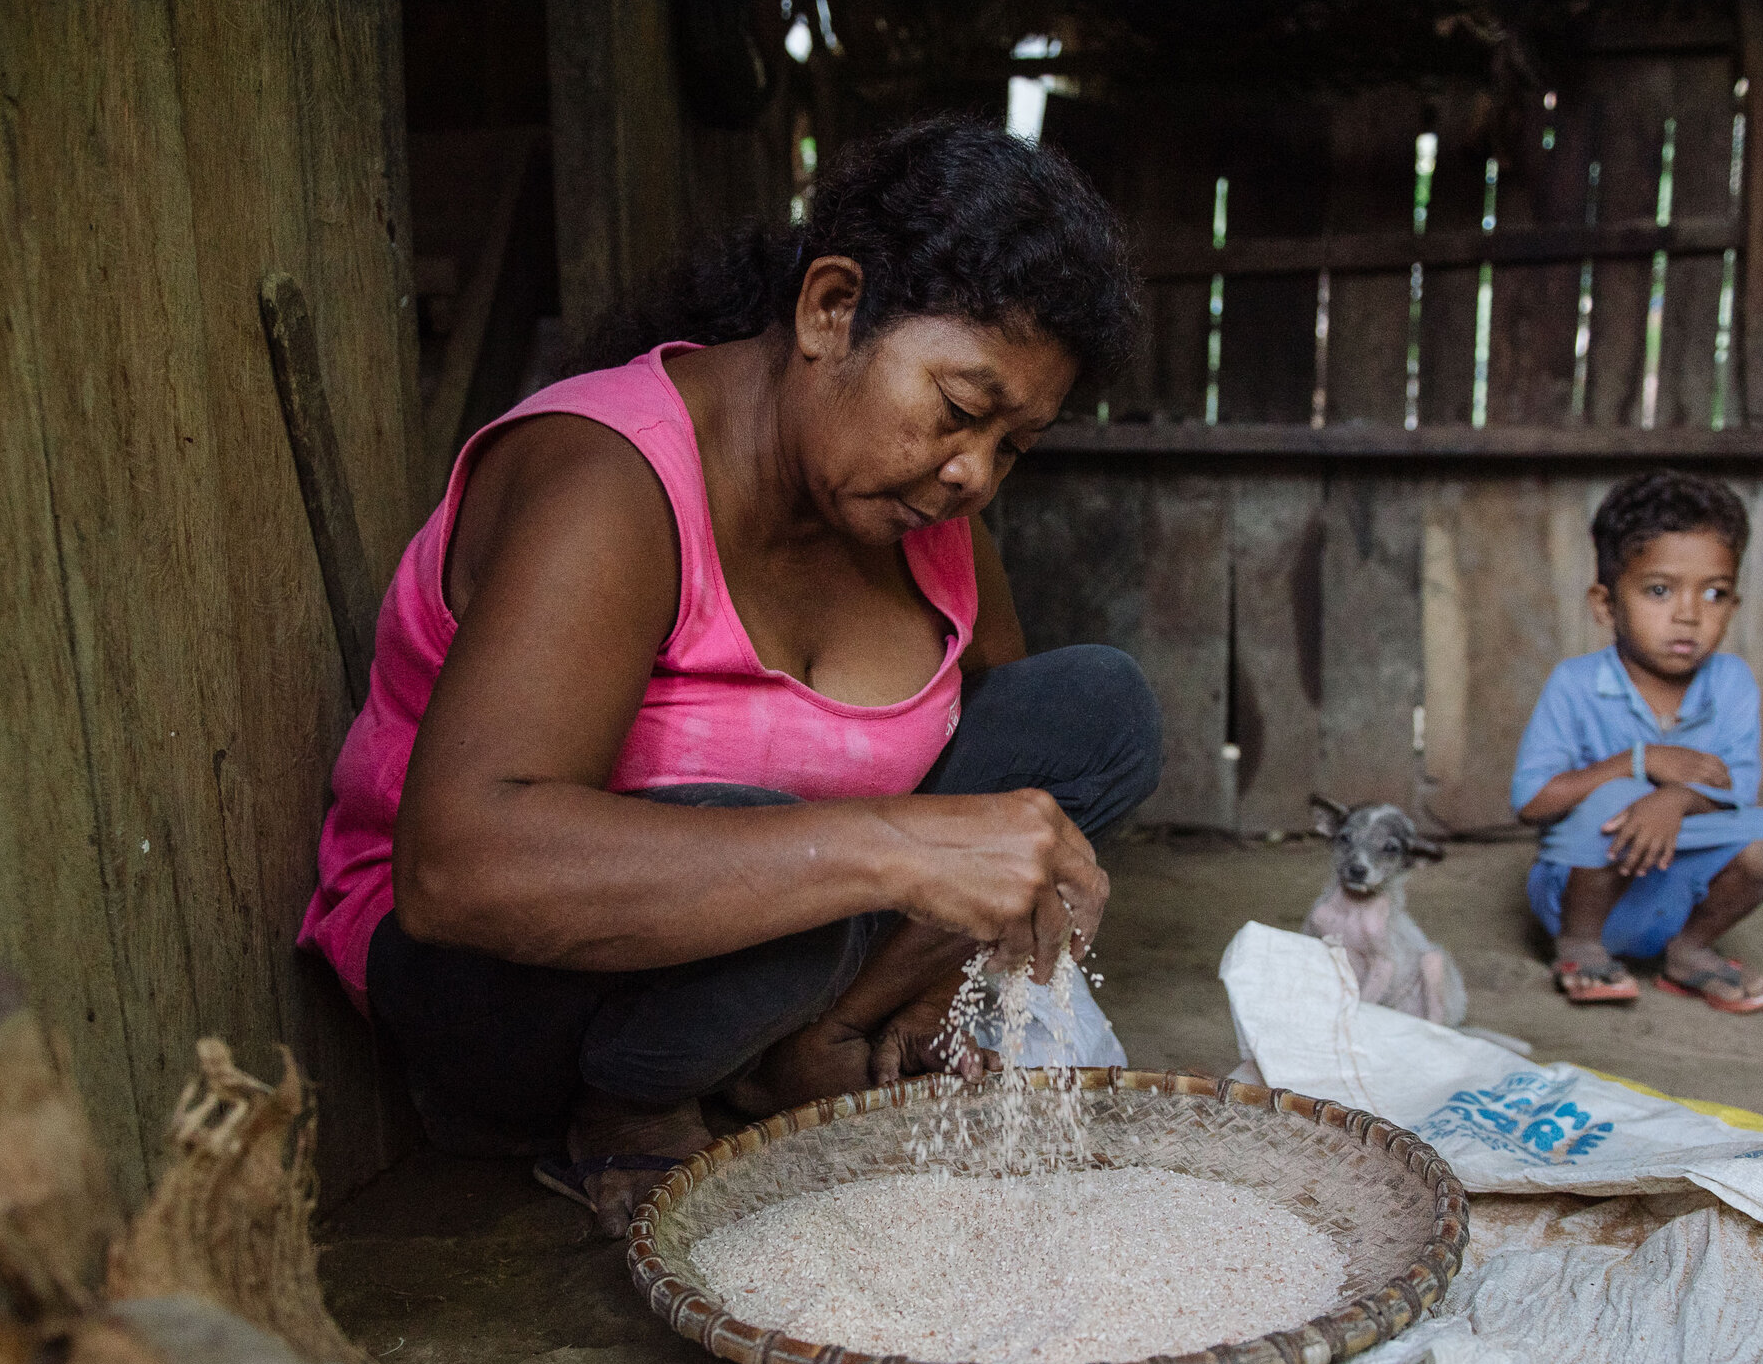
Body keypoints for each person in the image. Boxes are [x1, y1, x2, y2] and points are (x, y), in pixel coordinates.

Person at [299, 116, 1161, 1234]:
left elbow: (1004, 792)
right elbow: (457, 868)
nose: (973, 474)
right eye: (959, 411)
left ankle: (804, 1047)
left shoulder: (921, 510)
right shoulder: (610, 482)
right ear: (830, 309)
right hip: (497, 988)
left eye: (1013, 446)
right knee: (785, 871)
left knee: (1100, 713)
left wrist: (997, 867)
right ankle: (632, 1093)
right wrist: (884, 849)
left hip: (781, 945)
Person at [1510, 471, 1763, 1012]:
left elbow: (1741, 787)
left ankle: (1688, 951)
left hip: (1671, 902)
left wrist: (1676, 797)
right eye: (1659, 590)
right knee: (1618, 797)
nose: (1688, 614)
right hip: (1579, 900)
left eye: (1714, 593)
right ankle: (1579, 948)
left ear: (1733, 606)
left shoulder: (1732, 681)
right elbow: (1532, 802)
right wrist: (1638, 761)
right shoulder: (1575, 682)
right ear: (1606, 605)